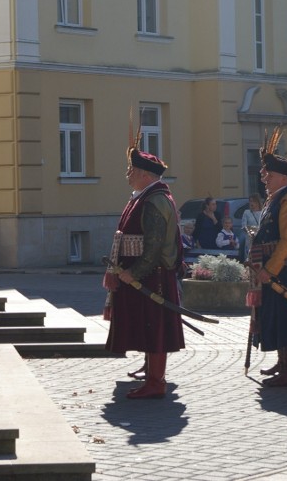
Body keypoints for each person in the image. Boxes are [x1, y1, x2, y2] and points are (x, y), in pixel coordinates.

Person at [103, 137, 185, 399]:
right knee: (148, 328)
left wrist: (133, 273)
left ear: (144, 174)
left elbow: (154, 247)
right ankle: (151, 374)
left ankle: (156, 381)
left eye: (131, 170)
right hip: (144, 277)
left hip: (152, 278)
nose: (127, 174)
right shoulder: (144, 197)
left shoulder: (153, 201)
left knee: (155, 329)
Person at [250, 131, 287, 387]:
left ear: (284, 177)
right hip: (276, 271)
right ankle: (284, 363)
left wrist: (270, 269)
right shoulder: (275, 199)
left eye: (269, 175)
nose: (264, 179)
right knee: (276, 318)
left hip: (286, 271)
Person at [242, 193, 263, 260]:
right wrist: (250, 231)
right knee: (249, 258)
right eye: (250, 201)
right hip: (250, 239)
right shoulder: (247, 212)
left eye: (253, 201)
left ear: (257, 202)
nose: (251, 203)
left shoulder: (262, 212)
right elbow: (243, 226)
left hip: (260, 238)